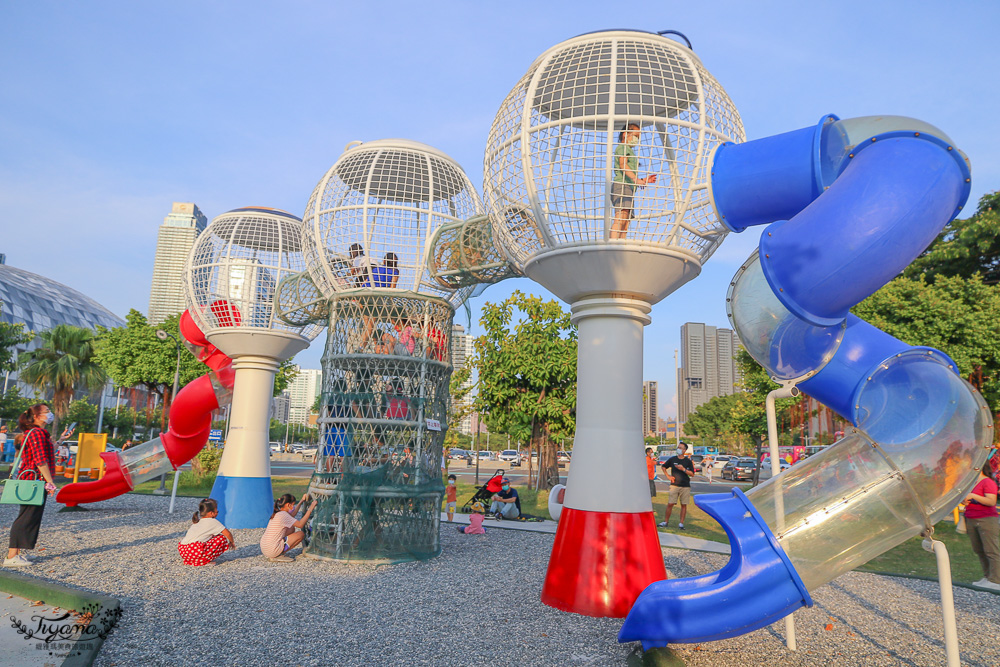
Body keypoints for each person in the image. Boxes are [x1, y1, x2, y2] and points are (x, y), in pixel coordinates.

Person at [3, 404, 66, 567]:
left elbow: (47, 452)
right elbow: (40, 460)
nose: (50, 414)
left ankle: (16, 554)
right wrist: (50, 482)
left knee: (30, 515)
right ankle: (11, 556)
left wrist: (61, 440)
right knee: (27, 516)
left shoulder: (38, 433)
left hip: (34, 480)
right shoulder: (37, 433)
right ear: (37, 416)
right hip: (33, 481)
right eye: (47, 412)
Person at [610, 122, 658, 240]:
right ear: (625, 134)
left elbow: (628, 171)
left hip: (628, 187)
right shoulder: (623, 147)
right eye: (635, 136)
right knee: (621, 216)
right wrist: (636, 180)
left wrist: (642, 180)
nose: (637, 139)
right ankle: (613, 242)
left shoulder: (628, 150)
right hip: (622, 186)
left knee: (626, 221)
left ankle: (621, 243)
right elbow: (623, 165)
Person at [963, 461, 1000, 590]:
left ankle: (996, 580)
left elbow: (991, 501)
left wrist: (973, 495)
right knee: (979, 549)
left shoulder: (987, 482)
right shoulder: (972, 483)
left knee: (991, 550)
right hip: (971, 518)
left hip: (986, 520)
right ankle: (987, 577)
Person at [178, 498, 235, 567]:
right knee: (221, 538)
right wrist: (231, 542)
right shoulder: (213, 521)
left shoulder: (198, 522)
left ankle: (191, 560)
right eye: (217, 511)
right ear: (211, 513)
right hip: (194, 550)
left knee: (210, 537)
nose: (217, 513)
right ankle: (204, 561)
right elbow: (227, 533)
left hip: (183, 551)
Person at [260, 493, 317, 562]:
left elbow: (292, 514)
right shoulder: (284, 515)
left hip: (265, 548)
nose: (293, 507)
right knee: (301, 534)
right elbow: (300, 524)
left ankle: (277, 551)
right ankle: (278, 554)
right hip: (272, 550)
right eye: (292, 505)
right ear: (288, 505)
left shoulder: (278, 513)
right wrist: (310, 508)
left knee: (291, 529)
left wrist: (302, 500)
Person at [658, 442, 695, 530]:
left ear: (684, 450)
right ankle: (665, 522)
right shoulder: (672, 459)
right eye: (678, 447)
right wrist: (668, 476)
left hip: (685, 486)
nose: (678, 449)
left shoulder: (687, 461)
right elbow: (663, 467)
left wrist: (683, 469)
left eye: (680, 448)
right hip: (674, 485)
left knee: (683, 504)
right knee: (670, 503)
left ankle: (681, 524)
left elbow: (692, 474)